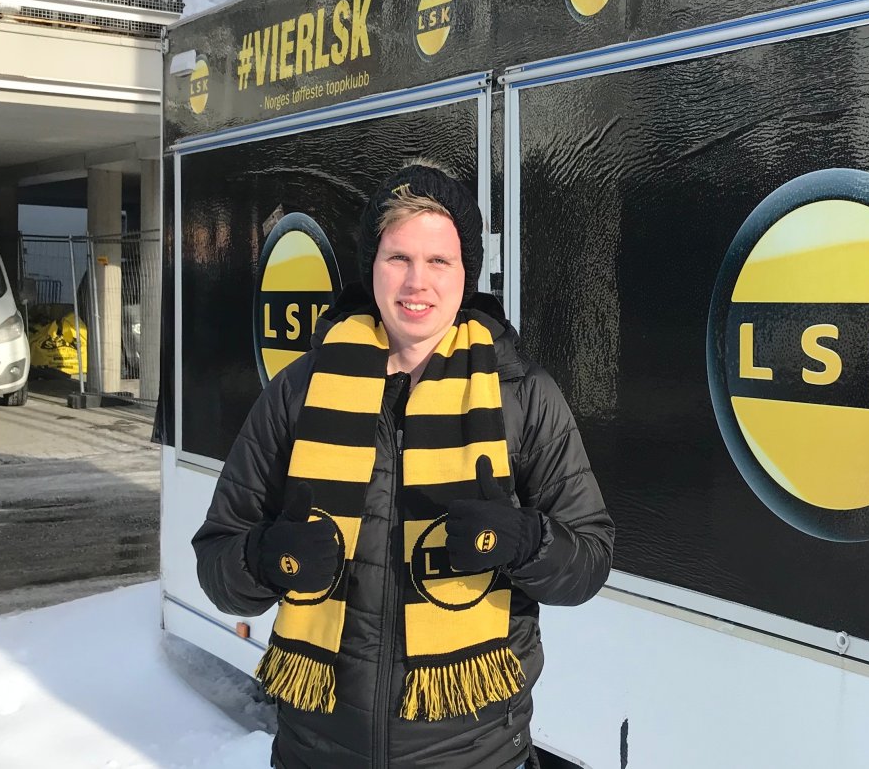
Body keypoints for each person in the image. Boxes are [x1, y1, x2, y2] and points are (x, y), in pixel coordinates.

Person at [193, 159, 614, 769]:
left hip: (477, 753)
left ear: (466, 273)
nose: (417, 282)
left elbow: (590, 559)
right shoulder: (299, 392)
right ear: (372, 266)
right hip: (317, 752)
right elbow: (216, 561)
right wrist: (263, 558)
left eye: (439, 260)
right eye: (399, 258)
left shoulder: (522, 395)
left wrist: (530, 542)